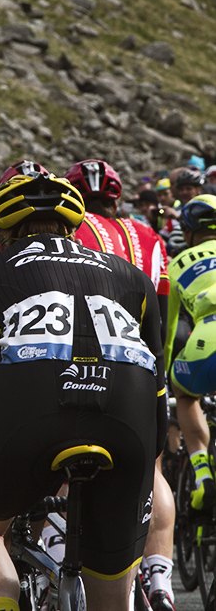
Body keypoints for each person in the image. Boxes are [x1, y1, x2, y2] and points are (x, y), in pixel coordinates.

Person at [0, 172, 166, 611]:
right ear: (74, 228)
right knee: (112, 592)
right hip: (129, 417)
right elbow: (160, 406)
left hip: (31, 404)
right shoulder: (133, 279)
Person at [64, 159, 174, 611]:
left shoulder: (70, 233)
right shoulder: (149, 237)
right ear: (118, 195)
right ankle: (160, 577)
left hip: (83, 362)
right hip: (142, 364)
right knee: (152, 471)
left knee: (64, 467)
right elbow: (162, 314)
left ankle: (62, 562)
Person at [165, 195, 216, 517]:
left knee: (184, 393)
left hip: (207, 338)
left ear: (188, 232)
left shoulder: (177, 263)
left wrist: (166, 369)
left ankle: (202, 472)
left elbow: (169, 331)